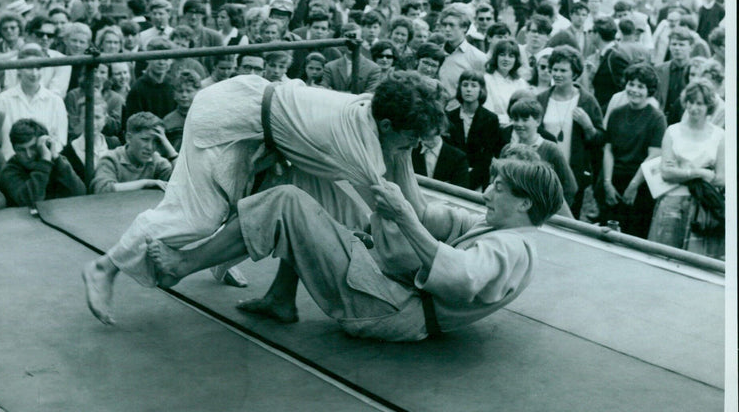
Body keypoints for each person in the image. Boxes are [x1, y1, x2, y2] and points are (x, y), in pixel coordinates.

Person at [83, 71, 446, 325]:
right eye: (411, 139)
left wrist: (407, 158)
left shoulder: (375, 110)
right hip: (227, 115)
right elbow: (396, 219)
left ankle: (279, 299)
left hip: (257, 117)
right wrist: (440, 264)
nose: (412, 148)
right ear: (386, 127)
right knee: (196, 218)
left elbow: (409, 194)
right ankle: (106, 267)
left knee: (308, 207)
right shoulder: (358, 147)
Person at [145, 158, 564, 341]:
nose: (487, 191)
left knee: (286, 201)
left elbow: (460, 279)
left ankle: (180, 265)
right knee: (316, 210)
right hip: (397, 301)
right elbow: (431, 216)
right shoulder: (496, 228)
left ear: (525, 202)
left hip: (392, 314)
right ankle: (280, 299)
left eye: (499, 188)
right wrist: (398, 164)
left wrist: (403, 218)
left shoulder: (515, 248)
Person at [647, 80, 725, 258]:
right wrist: (699, 172)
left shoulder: (720, 136)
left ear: (708, 106)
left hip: (704, 208)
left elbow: (722, 178)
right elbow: (666, 173)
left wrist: (680, 172)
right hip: (672, 204)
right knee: (665, 257)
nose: (693, 108)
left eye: (699, 103)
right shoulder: (672, 131)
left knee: (698, 262)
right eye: (690, 102)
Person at [536, 45, 604, 218]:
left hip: (573, 174)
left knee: (568, 220)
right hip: (543, 171)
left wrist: (588, 126)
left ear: (574, 73)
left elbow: (599, 140)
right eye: (554, 69)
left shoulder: (587, 101)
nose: (557, 74)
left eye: (563, 70)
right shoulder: (542, 99)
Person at [599, 64, 667, 237]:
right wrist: (607, 183)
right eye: (631, 84)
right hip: (614, 181)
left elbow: (654, 155)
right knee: (608, 233)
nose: (634, 90)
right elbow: (608, 149)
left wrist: (634, 185)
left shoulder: (657, 118)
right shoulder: (616, 113)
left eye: (640, 86)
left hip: (641, 185)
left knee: (634, 235)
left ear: (649, 90)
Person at [0, 44, 69, 160]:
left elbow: (60, 141)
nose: (34, 73)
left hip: (46, 165)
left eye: (38, 68)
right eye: (29, 67)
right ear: (18, 69)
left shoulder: (56, 101)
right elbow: (1, 141)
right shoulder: (3, 100)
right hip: (13, 166)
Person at [503, 98, 577, 208]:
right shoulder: (508, 149)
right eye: (516, 119)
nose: (519, 124)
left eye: (524, 119)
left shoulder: (551, 149)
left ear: (537, 121)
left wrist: (552, 211)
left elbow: (570, 187)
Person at [0, 118, 86, 206]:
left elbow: (80, 193)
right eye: (21, 150)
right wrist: (44, 163)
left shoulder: (57, 161)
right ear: (14, 149)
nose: (28, 155)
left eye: (33, 148)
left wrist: (56, 158)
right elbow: (29, 202)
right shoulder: (9, 171)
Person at [91, 112, 177, 194]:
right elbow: (102, 189)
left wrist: (170, 150)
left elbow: (184, 182)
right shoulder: (111, 159)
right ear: (128, 138)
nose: (150, 147)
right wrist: (145, 183)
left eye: (156, 141)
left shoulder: (157, 162)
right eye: (145, 139)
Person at [445, 71, 502, 191]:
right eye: (465, 85)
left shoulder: (490, 119)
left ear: (481, 89)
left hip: (479, 178)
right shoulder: (450, 117)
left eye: (473, 85)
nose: (468, 89)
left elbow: (488, 155)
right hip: (451, 176)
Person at [61, 97, 121, 187]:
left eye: (97, 117)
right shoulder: (68, 152)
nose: (92, 122)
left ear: (105, 120)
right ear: (79, 119)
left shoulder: (114, 145)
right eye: (87, 117)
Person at [122, 37, 177, 125]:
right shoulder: (138, 89)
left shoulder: (174, 85)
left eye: (166, 59)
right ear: (148, 58)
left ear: (172, 61)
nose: (161, 62)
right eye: (157, 58)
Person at [436, 6, 487, 98]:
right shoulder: (436, 52)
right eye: (444, 25)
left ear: (464, 27)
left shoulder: (478, 58)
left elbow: (484, 90)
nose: (447, 29)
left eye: (451, 25)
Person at [321, 23, 382, 94]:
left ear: (361, 40)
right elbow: (324, 91)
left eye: (355, 37)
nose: (351, 42)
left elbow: (370, 94)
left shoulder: (373, 69)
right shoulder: (330, 67)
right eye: (348, 38)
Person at [483, 39, 529, 127]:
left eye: (511, 56)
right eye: (502, 55)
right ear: (496, 57)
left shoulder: (520, 82)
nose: (506, 59)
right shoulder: (486, 80)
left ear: (516, 60)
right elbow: (487, 112)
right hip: (493, 128)